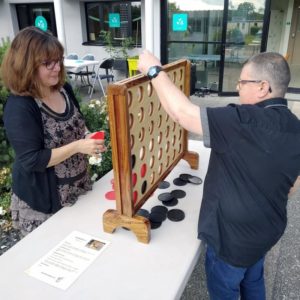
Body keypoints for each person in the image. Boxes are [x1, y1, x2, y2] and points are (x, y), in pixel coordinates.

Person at [138, 50, 300, 300]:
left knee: (225, 288)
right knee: (253, 279)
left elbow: (183, 114)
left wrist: (153, 70)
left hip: (231, 241)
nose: (238, 89)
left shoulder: (242, 121)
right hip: (266, 232)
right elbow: (292, 186)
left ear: (263, 87)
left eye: (242, 82)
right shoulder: (295, 125)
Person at [1, 27, 105, 236]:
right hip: (44, 202)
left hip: (77, 186)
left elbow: (78, 122)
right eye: (48, 63)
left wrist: (87, 137)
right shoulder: (20, 106)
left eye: (58, 60)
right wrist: (78, 146)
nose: (57, 67)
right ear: (26, 64)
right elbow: (33, 159)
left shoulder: (63, 88)